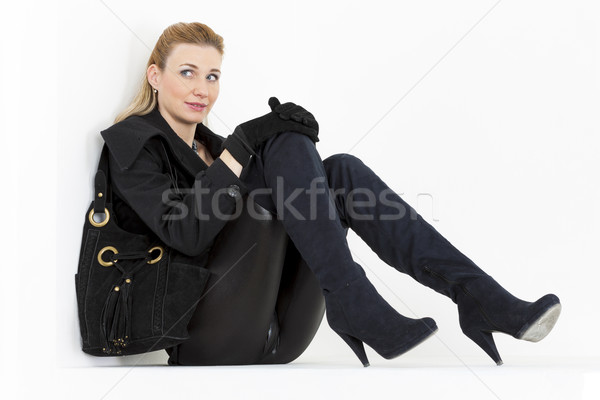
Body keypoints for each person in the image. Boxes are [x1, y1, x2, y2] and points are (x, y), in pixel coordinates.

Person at [100, 22, 561, 367]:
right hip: (205, 336)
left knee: (339, 170)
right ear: (155, 76)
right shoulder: (133, 143)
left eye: (213, 76)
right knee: (280, 144)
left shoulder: (215, 150)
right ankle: (354, 301)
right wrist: (247, 140)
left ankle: (477, 296)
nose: (203, 89)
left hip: (282, 327)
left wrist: (271, 147)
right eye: (188, 72)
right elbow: (187, 234)